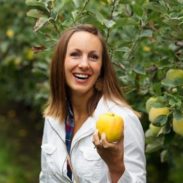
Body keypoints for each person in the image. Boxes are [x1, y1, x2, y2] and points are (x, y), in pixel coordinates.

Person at [39, 24, 146, 183]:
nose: (84, 64)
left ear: (101, 68)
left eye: (93, 57)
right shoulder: (54, 116)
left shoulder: (122, 119)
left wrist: (116, 166)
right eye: (75, 54)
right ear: (61, 62)